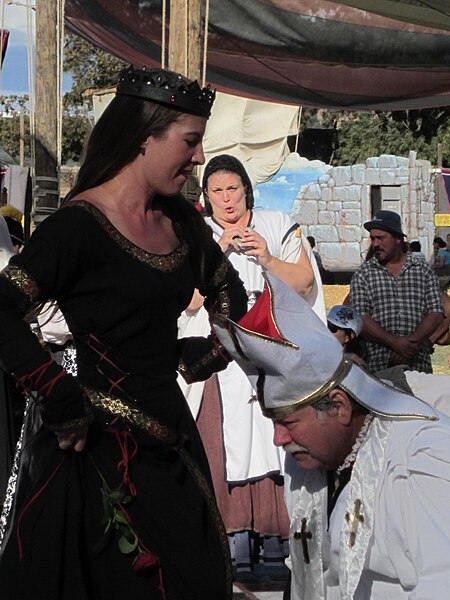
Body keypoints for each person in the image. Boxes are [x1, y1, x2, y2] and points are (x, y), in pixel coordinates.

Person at [0, 65, 248, 600]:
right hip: (93, 457)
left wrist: (200, 356)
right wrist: (59, 395)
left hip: (174, 446)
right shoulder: (76, 228)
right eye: (190, 141)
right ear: (143, 136)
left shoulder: (181, 221)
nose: (200, 157)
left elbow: (234, 298)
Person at [212, 273, 450, 600]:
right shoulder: (309, 461)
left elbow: (441, 582)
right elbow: (306, 571)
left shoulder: (420, 461)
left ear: (338, 406)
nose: (278, 439)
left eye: (288, 422)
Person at [194, 154, 325, 573]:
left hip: (274, 347)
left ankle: (277, 537)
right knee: (224, 440)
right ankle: (233, 539)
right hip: (221, 354)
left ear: (246, 190)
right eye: (217, 190)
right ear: (206, 196)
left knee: (277, 436)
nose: (226, 198)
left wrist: (266, 257)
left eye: (233, 188)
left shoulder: (275, 221)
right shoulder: (198, 234)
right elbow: (187, 297)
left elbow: (305, 284)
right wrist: (216, 253)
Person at [350, 210, 443, 373]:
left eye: (381, 238)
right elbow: (361, 317)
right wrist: (394, 342)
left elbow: (436, 312)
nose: (375, 244)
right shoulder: (363, 274)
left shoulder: (422, 270)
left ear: (398, 239)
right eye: (373, 238)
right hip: (379, 368)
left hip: (418, 365)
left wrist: (411, 342)